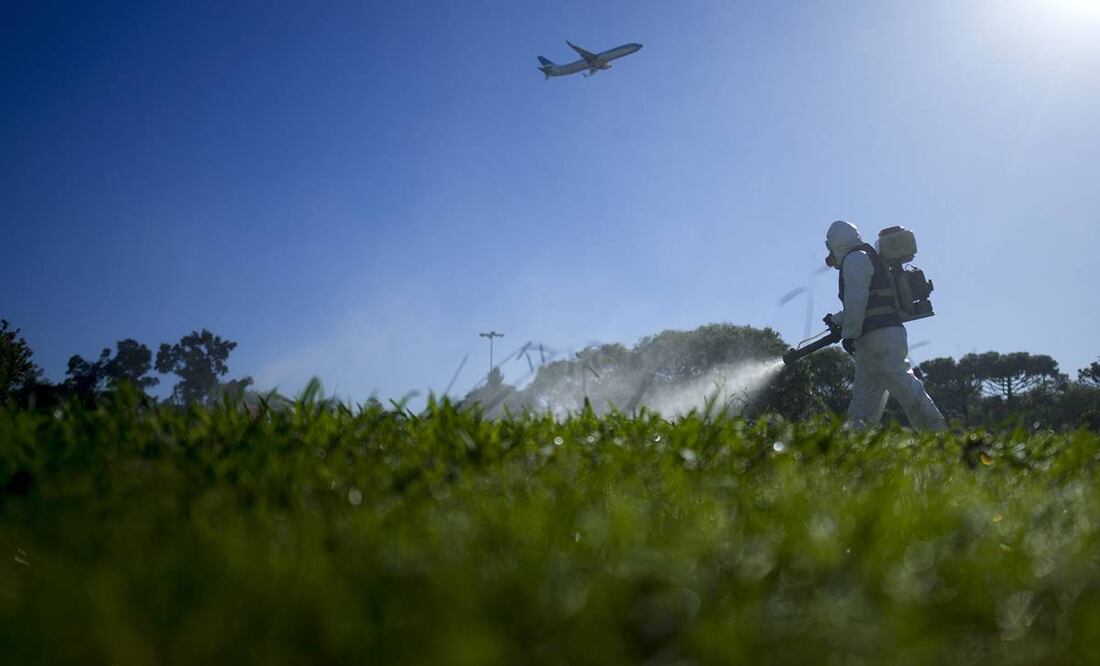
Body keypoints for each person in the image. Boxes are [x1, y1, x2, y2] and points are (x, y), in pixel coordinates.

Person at [824, 220, 947, 431]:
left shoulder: (854, 259)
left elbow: (856, 301)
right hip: (877, 338)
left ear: (836, 243)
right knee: (863, 402)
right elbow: (867, 301)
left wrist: (850, 334)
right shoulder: (866, 257)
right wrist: (836, 320)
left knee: (905, 387)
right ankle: (854, 443)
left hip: (877, 337)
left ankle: (938, 434)